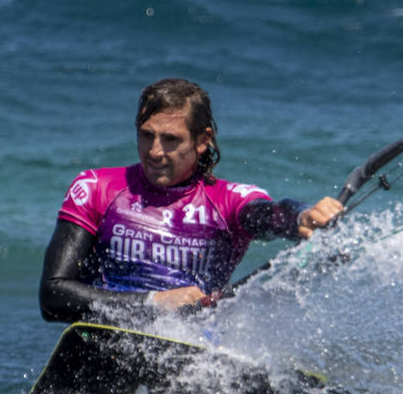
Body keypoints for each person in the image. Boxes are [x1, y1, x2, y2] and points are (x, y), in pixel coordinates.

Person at [40, 78, 343, 323]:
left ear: (202, 141)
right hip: (99, 345)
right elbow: (53, 297)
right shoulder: (97, 188)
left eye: (170, 139)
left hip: (193, 356)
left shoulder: (226, 201)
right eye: (147, 136)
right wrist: (154, 302)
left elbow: (271, 215)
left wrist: (303, 217)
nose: (154, 151)